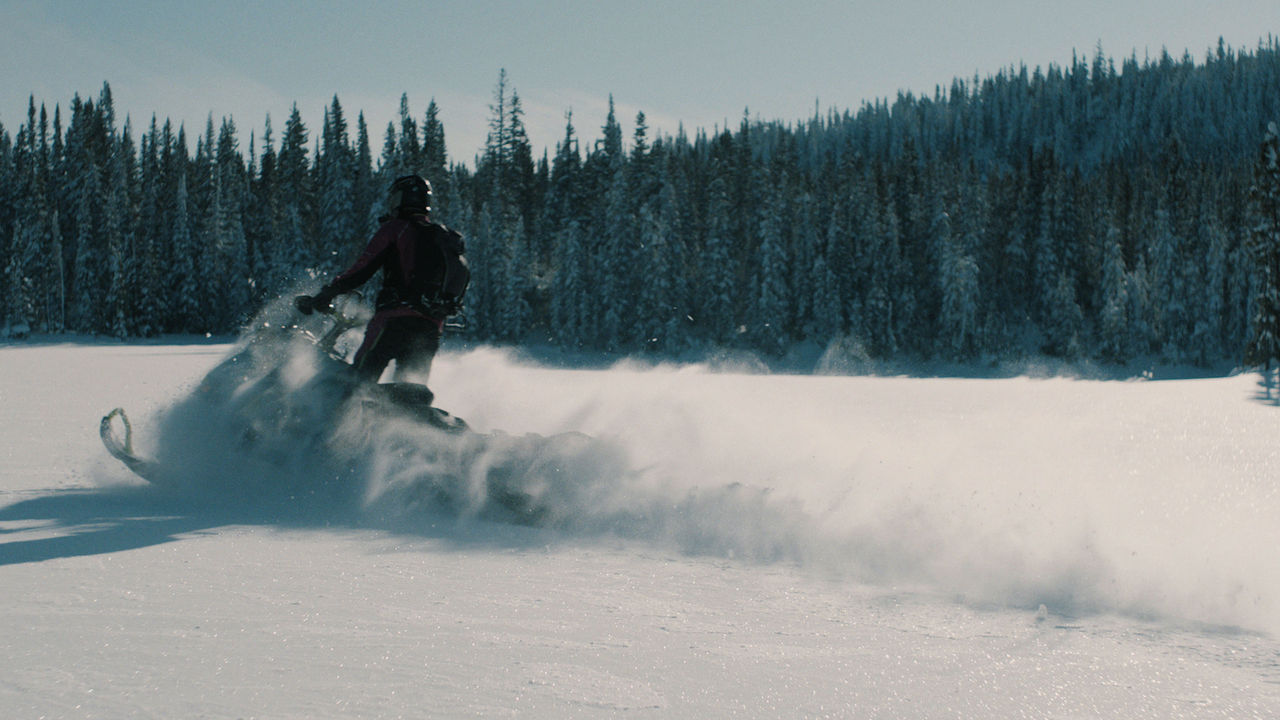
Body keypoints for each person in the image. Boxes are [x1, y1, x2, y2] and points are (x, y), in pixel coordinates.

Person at [296, 175, 468, 398]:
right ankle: (405, 430)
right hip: (430, 328)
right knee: (409, 394)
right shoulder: (442, 238)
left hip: (393, 322)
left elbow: (361, 269)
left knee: (357, 385)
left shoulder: (396, 229)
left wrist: (326, 294)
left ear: (401, 199)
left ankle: (334, 429)